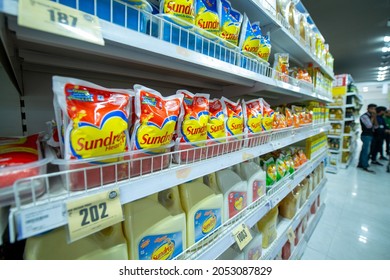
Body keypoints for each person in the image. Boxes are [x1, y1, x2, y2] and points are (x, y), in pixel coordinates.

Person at [357, 104, 377, 173]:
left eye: (374, 109)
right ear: (368, 109)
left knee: (364, 150)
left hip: (370, 135)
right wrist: (372, 118)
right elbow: (369, 126)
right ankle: (365, 165)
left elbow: (376, 126)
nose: (374, 111)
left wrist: (374, 117)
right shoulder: (364, 116)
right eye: (372, 109)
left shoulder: (372, 116)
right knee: (366, 151)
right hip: (366, 135)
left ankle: (360, 164)